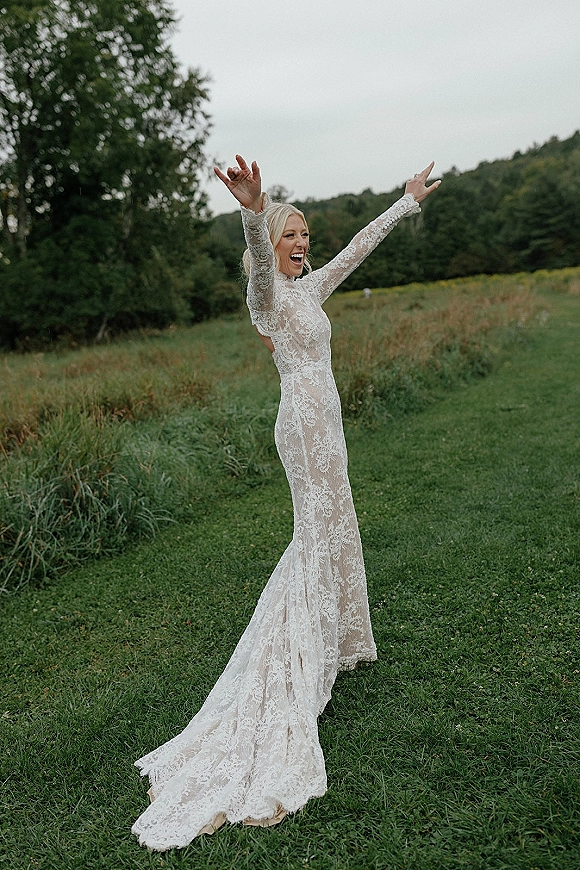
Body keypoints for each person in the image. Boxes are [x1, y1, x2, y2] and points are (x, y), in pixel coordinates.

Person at [131, 156, 440, 851]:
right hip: (300, 425)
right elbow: (259, 264)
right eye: (289, 234)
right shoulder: (267, 297)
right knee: (315, 536)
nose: (300, 243)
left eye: (303, 233)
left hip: (328, 422)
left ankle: (338, 641)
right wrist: (252, 211)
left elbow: (360, 246)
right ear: (271, 244)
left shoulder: (314, 289)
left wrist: (406, 202)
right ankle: (299, 652)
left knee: (338, 529)